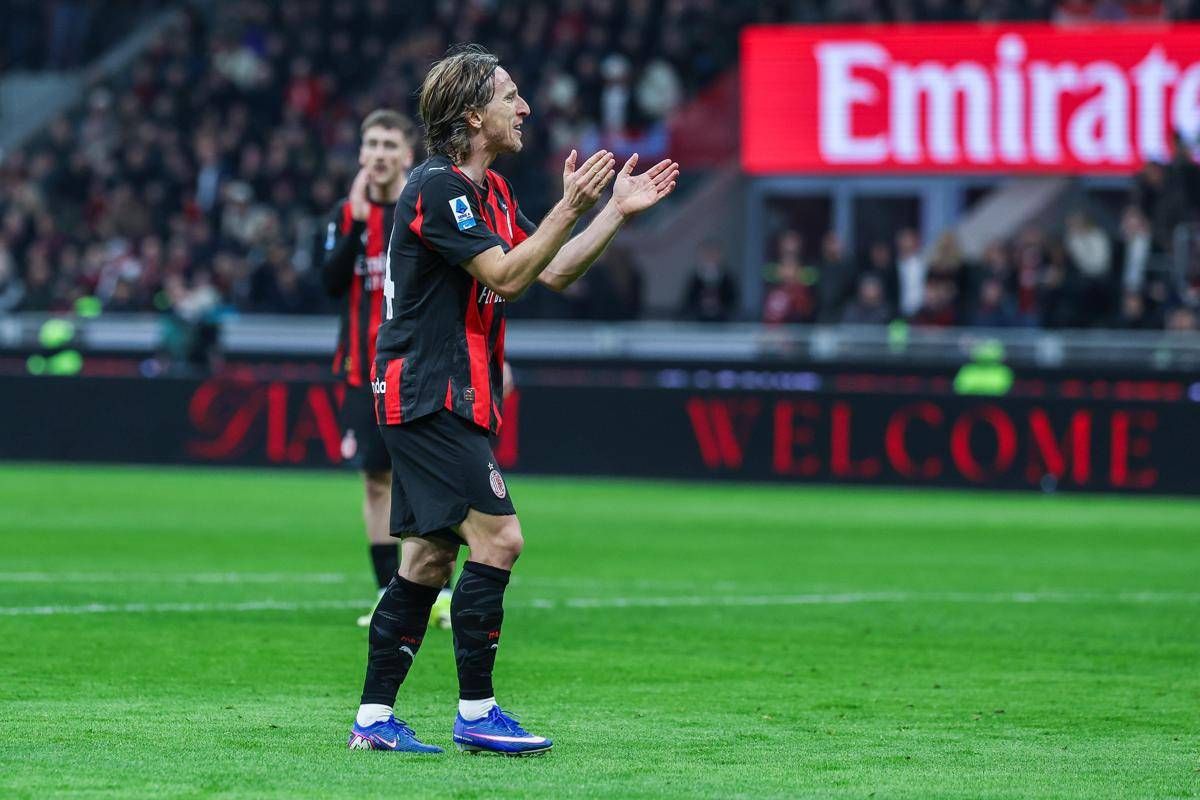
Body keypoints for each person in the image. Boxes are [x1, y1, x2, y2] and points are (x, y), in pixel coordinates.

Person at [347, 44, 678, 755]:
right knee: (501, 539)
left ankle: (373, 721)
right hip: (429, 391)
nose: (524, 108)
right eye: (509, 96)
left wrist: (612, 213)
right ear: (473, 115)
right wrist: (569, 205)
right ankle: (477, 711)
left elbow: (550, 270)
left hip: (449, 394)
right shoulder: (437, 186)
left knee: (427, 561)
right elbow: (506, 275)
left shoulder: (489, 191)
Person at [319, 109, 429, 627]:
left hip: (421, 368)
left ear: (408, 155)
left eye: (390, 145)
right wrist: (360, 224)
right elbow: (329, 283)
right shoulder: (346, 214)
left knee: (427, 480)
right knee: (375, 481)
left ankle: (438, 590)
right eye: (372, 145)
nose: (380, 154)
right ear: (361, 153)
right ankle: (390, 594)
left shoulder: (424, 209)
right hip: (362, 371)